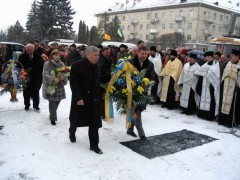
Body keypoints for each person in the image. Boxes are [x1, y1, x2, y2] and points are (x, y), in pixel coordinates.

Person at [69, 46, 103, 154]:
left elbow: (99, 80)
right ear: (87, 54)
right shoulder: (77, 65)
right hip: (81, 98)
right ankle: (72, 131)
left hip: (94, 99)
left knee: (94, 122)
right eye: (95, 55)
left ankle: (94, 145)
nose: (97, 57)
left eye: (98, 55)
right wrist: (78, 98)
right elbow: (74, 83)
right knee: (76, 118)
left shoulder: (97, 66)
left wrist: (113, 76)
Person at [127, 46, 156, 141]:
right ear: (138, 53)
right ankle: (142, 134)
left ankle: (130, 129)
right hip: (131, 90)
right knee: (137, 111)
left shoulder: (150, 64)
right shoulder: (130, 62)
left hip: (143, 91)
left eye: (145, 54)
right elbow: (124, 75)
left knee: (137, 110)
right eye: (142, 53)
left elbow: (152, 77)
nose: (144, 56)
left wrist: (147, 83)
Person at [42, 50, 68, 125]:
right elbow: (45, 74)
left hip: (59, 86)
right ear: (52, 56)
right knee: (52, 102)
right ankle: (53, 119)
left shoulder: (62, 64)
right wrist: (53, 78)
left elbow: (65, 74)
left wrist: (63, 78)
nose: (58, 57)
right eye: (56, 55)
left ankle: (52, 114)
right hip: (51, 86)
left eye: (59, 55)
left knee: (57, 101)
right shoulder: (47, 63)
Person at [194, 51, 220, 121]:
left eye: (209, 57)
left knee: (210, 100)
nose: (207, 58)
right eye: (207, 57)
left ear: (212, 57)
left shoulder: (216, 66)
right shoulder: (204, 65)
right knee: (202, 99)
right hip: (203, 85)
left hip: (210, 86)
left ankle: (209, 116)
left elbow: (216, 78)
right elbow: (199, 75)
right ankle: (201, 114)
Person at [18, 43, 44, 110]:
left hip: (37, 77)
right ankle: (27, 105)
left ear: (33, 49)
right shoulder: (22, 57)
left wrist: (41, 76)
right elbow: (19, 66)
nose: (29, 51)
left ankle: (36, 105)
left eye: (31, 50)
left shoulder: (38, 56)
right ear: (25, 50)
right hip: (26, 77)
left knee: (36, 92)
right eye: (28, 50)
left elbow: (42, 67)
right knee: (26, 92)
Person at [218, 49, 240, 128]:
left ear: (237, 57)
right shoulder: (228, 63)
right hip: (225, 86)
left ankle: (230, 122)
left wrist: (234, 76)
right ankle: (222, 120)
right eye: (230, 56)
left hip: (235, 89)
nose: (230, 57)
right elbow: (223, 74)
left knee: (233, 105)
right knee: (223, 103)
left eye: (232, 56)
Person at [98, 47, 114, 120]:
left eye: (109, 52)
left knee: (106, 98)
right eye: (106, 52)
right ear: (102, 52)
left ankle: (105, 112)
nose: (108, 54)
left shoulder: (109, 59)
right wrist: (110, 75)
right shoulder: (100, 60)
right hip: (101, 82)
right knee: (102, 99)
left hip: (108, 81)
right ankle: (103, 114)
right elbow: (99, 75)